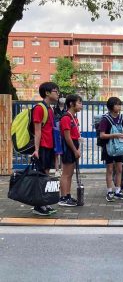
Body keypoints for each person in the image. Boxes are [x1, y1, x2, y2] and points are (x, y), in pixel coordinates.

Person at [31, 82, 59, 215]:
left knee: (46, 175)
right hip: (42, 147)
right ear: (47, 93)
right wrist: (36, 150)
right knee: (41, 175)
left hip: (49, 146)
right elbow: (37, 131)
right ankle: (38, 205)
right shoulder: (39, 108)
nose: (58, 93)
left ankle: (44, 203)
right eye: (55, 91)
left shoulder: (50, 108)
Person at [99, 97, 123, 202]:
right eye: (117, 104)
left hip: (119, 147)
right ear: (111, 106)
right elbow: (102, 135)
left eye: (119, 104)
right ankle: (109, 191)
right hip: (109, 147)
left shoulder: (122, 117)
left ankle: (118, 191)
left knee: (120, 169)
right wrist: (115, 135)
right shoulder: (105, 119)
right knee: (110, 169)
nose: (119, 106)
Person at [59, 94, 83, 207]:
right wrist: (74, 150)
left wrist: (78, 149)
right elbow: (67, 137)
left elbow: (76, 135)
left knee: (70, 173)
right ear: (71, 104)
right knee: (66, 173)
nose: (81, 105)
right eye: (79, 103)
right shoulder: (66, 118)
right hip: (68, 147)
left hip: (74, 145)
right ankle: (63, 197)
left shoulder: (74, 118)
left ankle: (67, 195)